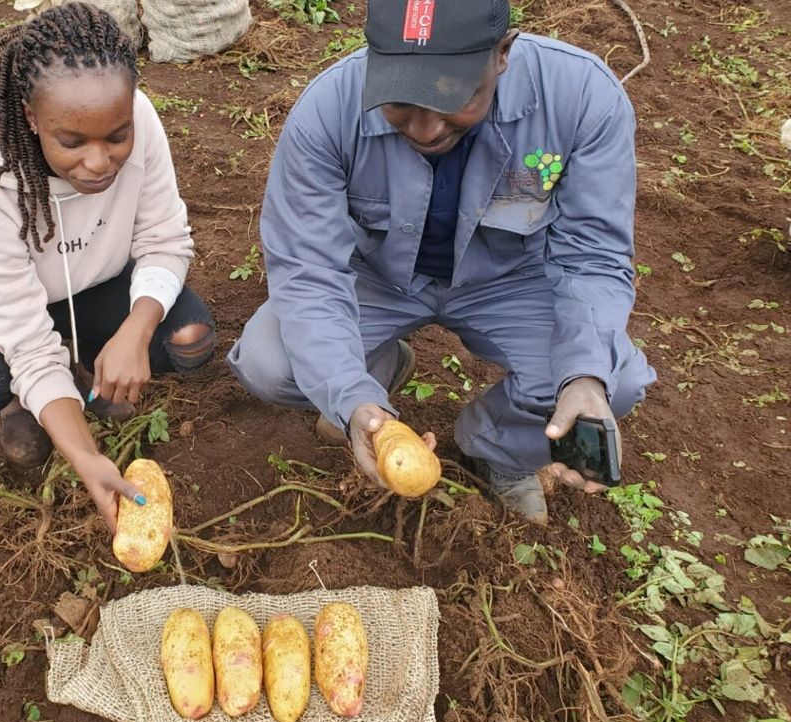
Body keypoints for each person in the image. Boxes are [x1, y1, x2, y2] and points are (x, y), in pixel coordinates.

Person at [228, 0, 656, 524]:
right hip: (378, 280)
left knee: (610, 376)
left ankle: (495, 446)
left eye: (453, 98)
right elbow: (307, 270)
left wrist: (583, 377)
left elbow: (592, 255)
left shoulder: (581, 96)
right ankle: (377, 371)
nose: (426, 129)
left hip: (511, 281)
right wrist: (352, 398)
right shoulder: (328, 110)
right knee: (271, 362)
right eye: (401, 102)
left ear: (502, 54)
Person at [0, 3, 216, 531]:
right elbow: (22, 330)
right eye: (72, 143)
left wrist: (136, 328)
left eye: (115, 137)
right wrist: (85, 456)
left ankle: (85, 368)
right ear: (33, 119)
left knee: (186, 339)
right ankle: (22, 400)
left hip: (94, 282)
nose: (99, 162)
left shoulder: (139, 118)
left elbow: (165, 238)